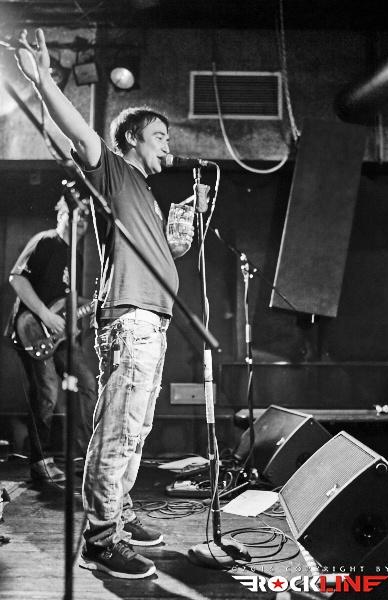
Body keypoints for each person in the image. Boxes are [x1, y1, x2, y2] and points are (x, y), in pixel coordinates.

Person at [15, 28, 196, 579]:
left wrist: (183, 230)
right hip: (131, 318)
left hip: (153, 319)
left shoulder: (147, 194)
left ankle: (120, 511)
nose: (167, 144)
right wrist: (43, 79)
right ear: (132, 139)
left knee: (136, 429)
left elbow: (165, 255)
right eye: (159, 135)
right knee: (118, 429)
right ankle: (100, 538)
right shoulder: (112, 170)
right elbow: (76, 128)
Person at [6, 197, 97, 483]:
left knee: (88, 384)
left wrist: (86, 313)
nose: (82, 221)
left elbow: (69, 300)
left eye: (86, 217)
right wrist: (45, 315)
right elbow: (17, 279)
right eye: (76, 214)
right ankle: (40, 461)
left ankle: (83, 456)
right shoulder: (45, 241)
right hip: (32, 330)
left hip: (59, 336)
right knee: (47, 392)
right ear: (61, 214)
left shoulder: (75, 255)